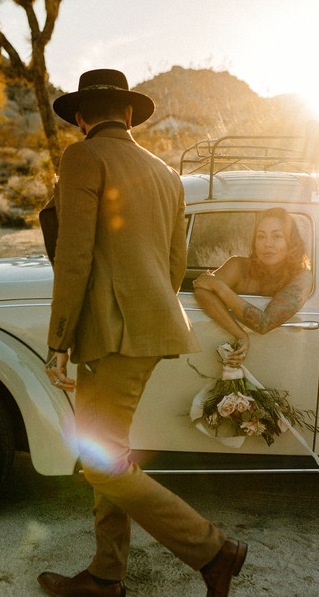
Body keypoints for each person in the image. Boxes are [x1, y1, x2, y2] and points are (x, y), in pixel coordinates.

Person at [40, 69, 247, 597]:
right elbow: (175, 266)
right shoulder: (166, 174)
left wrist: (58, 340)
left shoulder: (82, 156)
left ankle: (212, 550)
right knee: (108, 449)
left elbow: (73, 254)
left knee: (99, 464)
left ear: (81, 117)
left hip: (109, 336)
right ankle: (106, 575)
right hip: (150, 331)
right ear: (129, 114)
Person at [192, 208, 314, 366]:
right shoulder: (238, 265)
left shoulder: (302, 278)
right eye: (261, 236)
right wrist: (240, 334)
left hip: (280, 362)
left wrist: (219, 287)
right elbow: (202, 290)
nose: (267, 244)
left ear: (291, 242)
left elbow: (265, 323)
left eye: (277, 236)